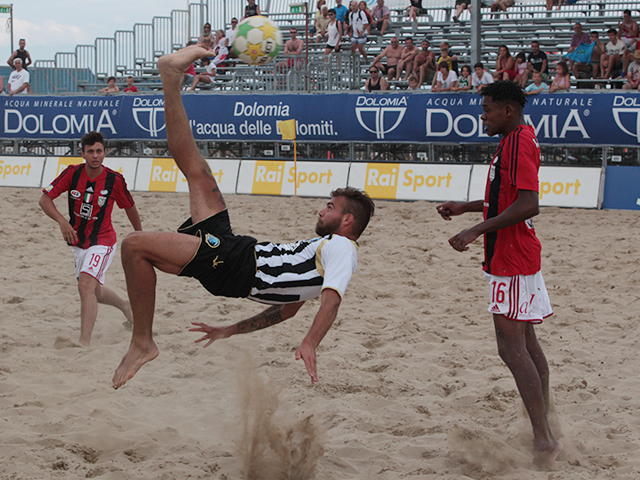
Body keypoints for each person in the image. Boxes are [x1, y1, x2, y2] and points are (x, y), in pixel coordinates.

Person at [111, 45, 375, 390]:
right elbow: (285, 310)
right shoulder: (323, 254)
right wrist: (231, 329)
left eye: (331, 207)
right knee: (196, 169)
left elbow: (332, 300)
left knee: (134, 246)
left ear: (347, 222)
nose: (322, 209)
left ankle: (142, 343)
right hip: (237, 253)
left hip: (235, 265)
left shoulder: (342, 249)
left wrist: (310, 342)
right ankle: (170, 80)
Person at [436, 80, 563, 470]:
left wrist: (477, 229)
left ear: (508, 110)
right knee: (526, 341)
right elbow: (504, 198)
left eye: (488, 109)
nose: (483, 116)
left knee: (511, 347)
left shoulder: (520, 142)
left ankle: (543, 438)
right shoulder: (512, 141)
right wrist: (467, 207)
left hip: (514, 257)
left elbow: (529, 205)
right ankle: (545, 424)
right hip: (512, 255)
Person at [39, 131, 142, 347]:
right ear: (82, 153)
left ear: (104, 153)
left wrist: (139, 234)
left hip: (103, 242)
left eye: (99, 151)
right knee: (95, 291)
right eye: (90, 151)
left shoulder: (114, 179)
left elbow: (129, 207)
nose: (95, 155)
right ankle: (125, 306)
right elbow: (45, 200)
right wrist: (62, 221)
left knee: (85, 286)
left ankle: (83, 343)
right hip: (78, 243)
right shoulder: (72, 173)